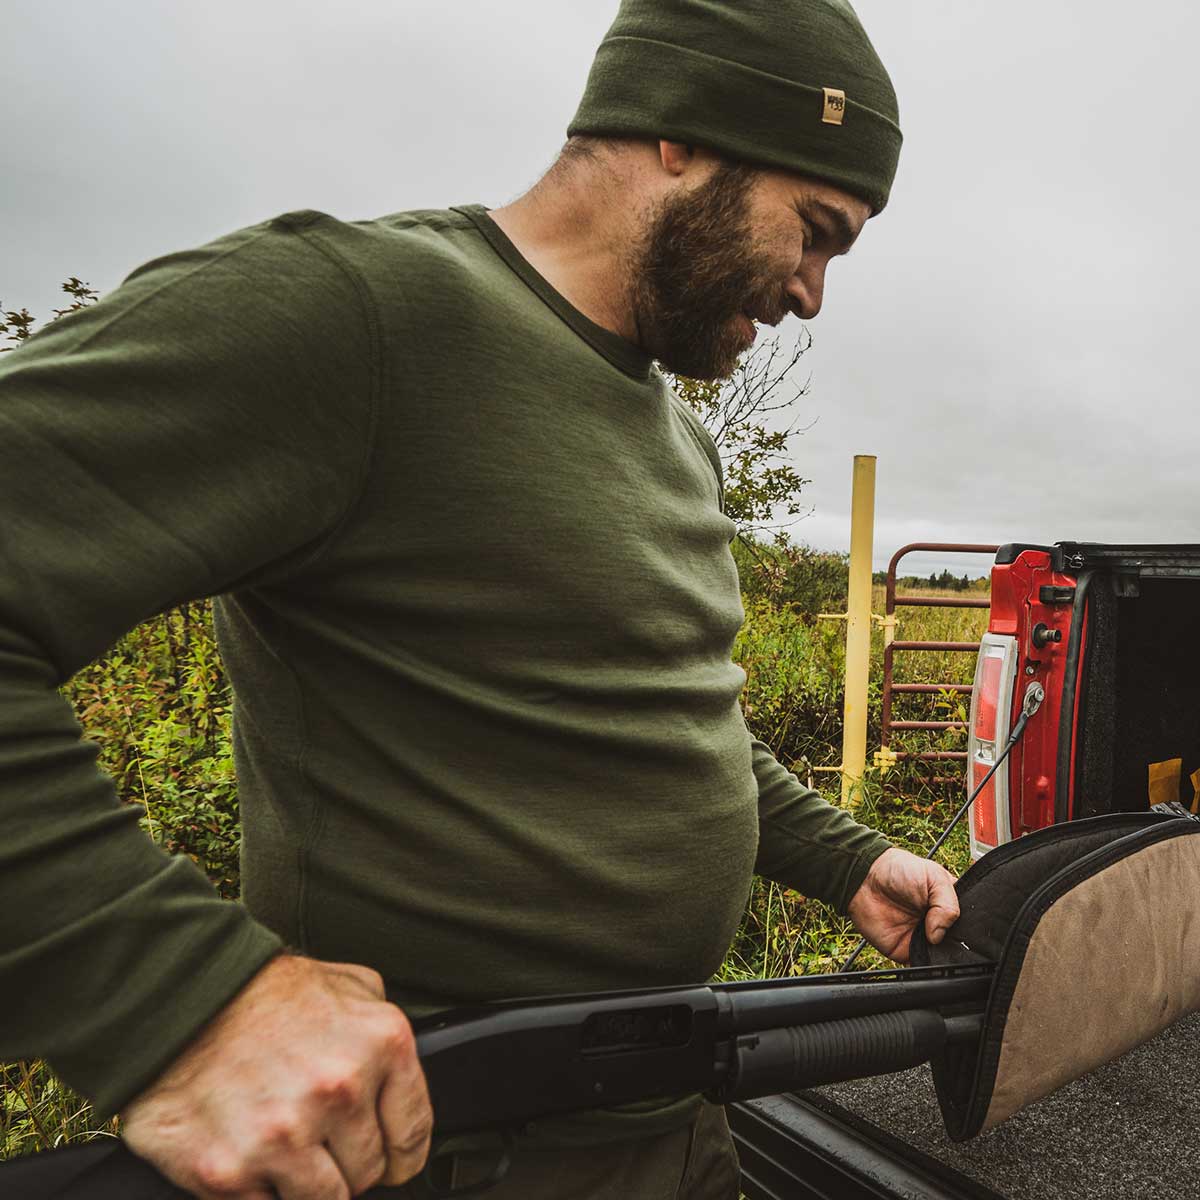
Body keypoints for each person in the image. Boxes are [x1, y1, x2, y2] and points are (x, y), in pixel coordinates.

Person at [0, 2, 959, 1197]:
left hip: (674, 1123)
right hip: (455, 1146)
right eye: (816, 232)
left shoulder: (673, 431)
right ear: (685, 130)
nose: (812, 292)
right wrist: (177, 1000)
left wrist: (843, 860)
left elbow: (644, 715)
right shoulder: (357, 315)